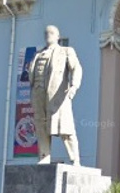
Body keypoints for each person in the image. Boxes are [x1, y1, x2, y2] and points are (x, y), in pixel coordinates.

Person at [29, 25, 83, 165]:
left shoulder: (66, 51)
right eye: (46, 33)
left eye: (52, 33)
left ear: (58, 36)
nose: (48, 35)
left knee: (66, 129)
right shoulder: (38, 54)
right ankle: (44, 157)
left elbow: (76, 68)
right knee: (41, 127)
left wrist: (74, 86)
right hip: (39, 95)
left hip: (58, 96)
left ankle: (75, 159)